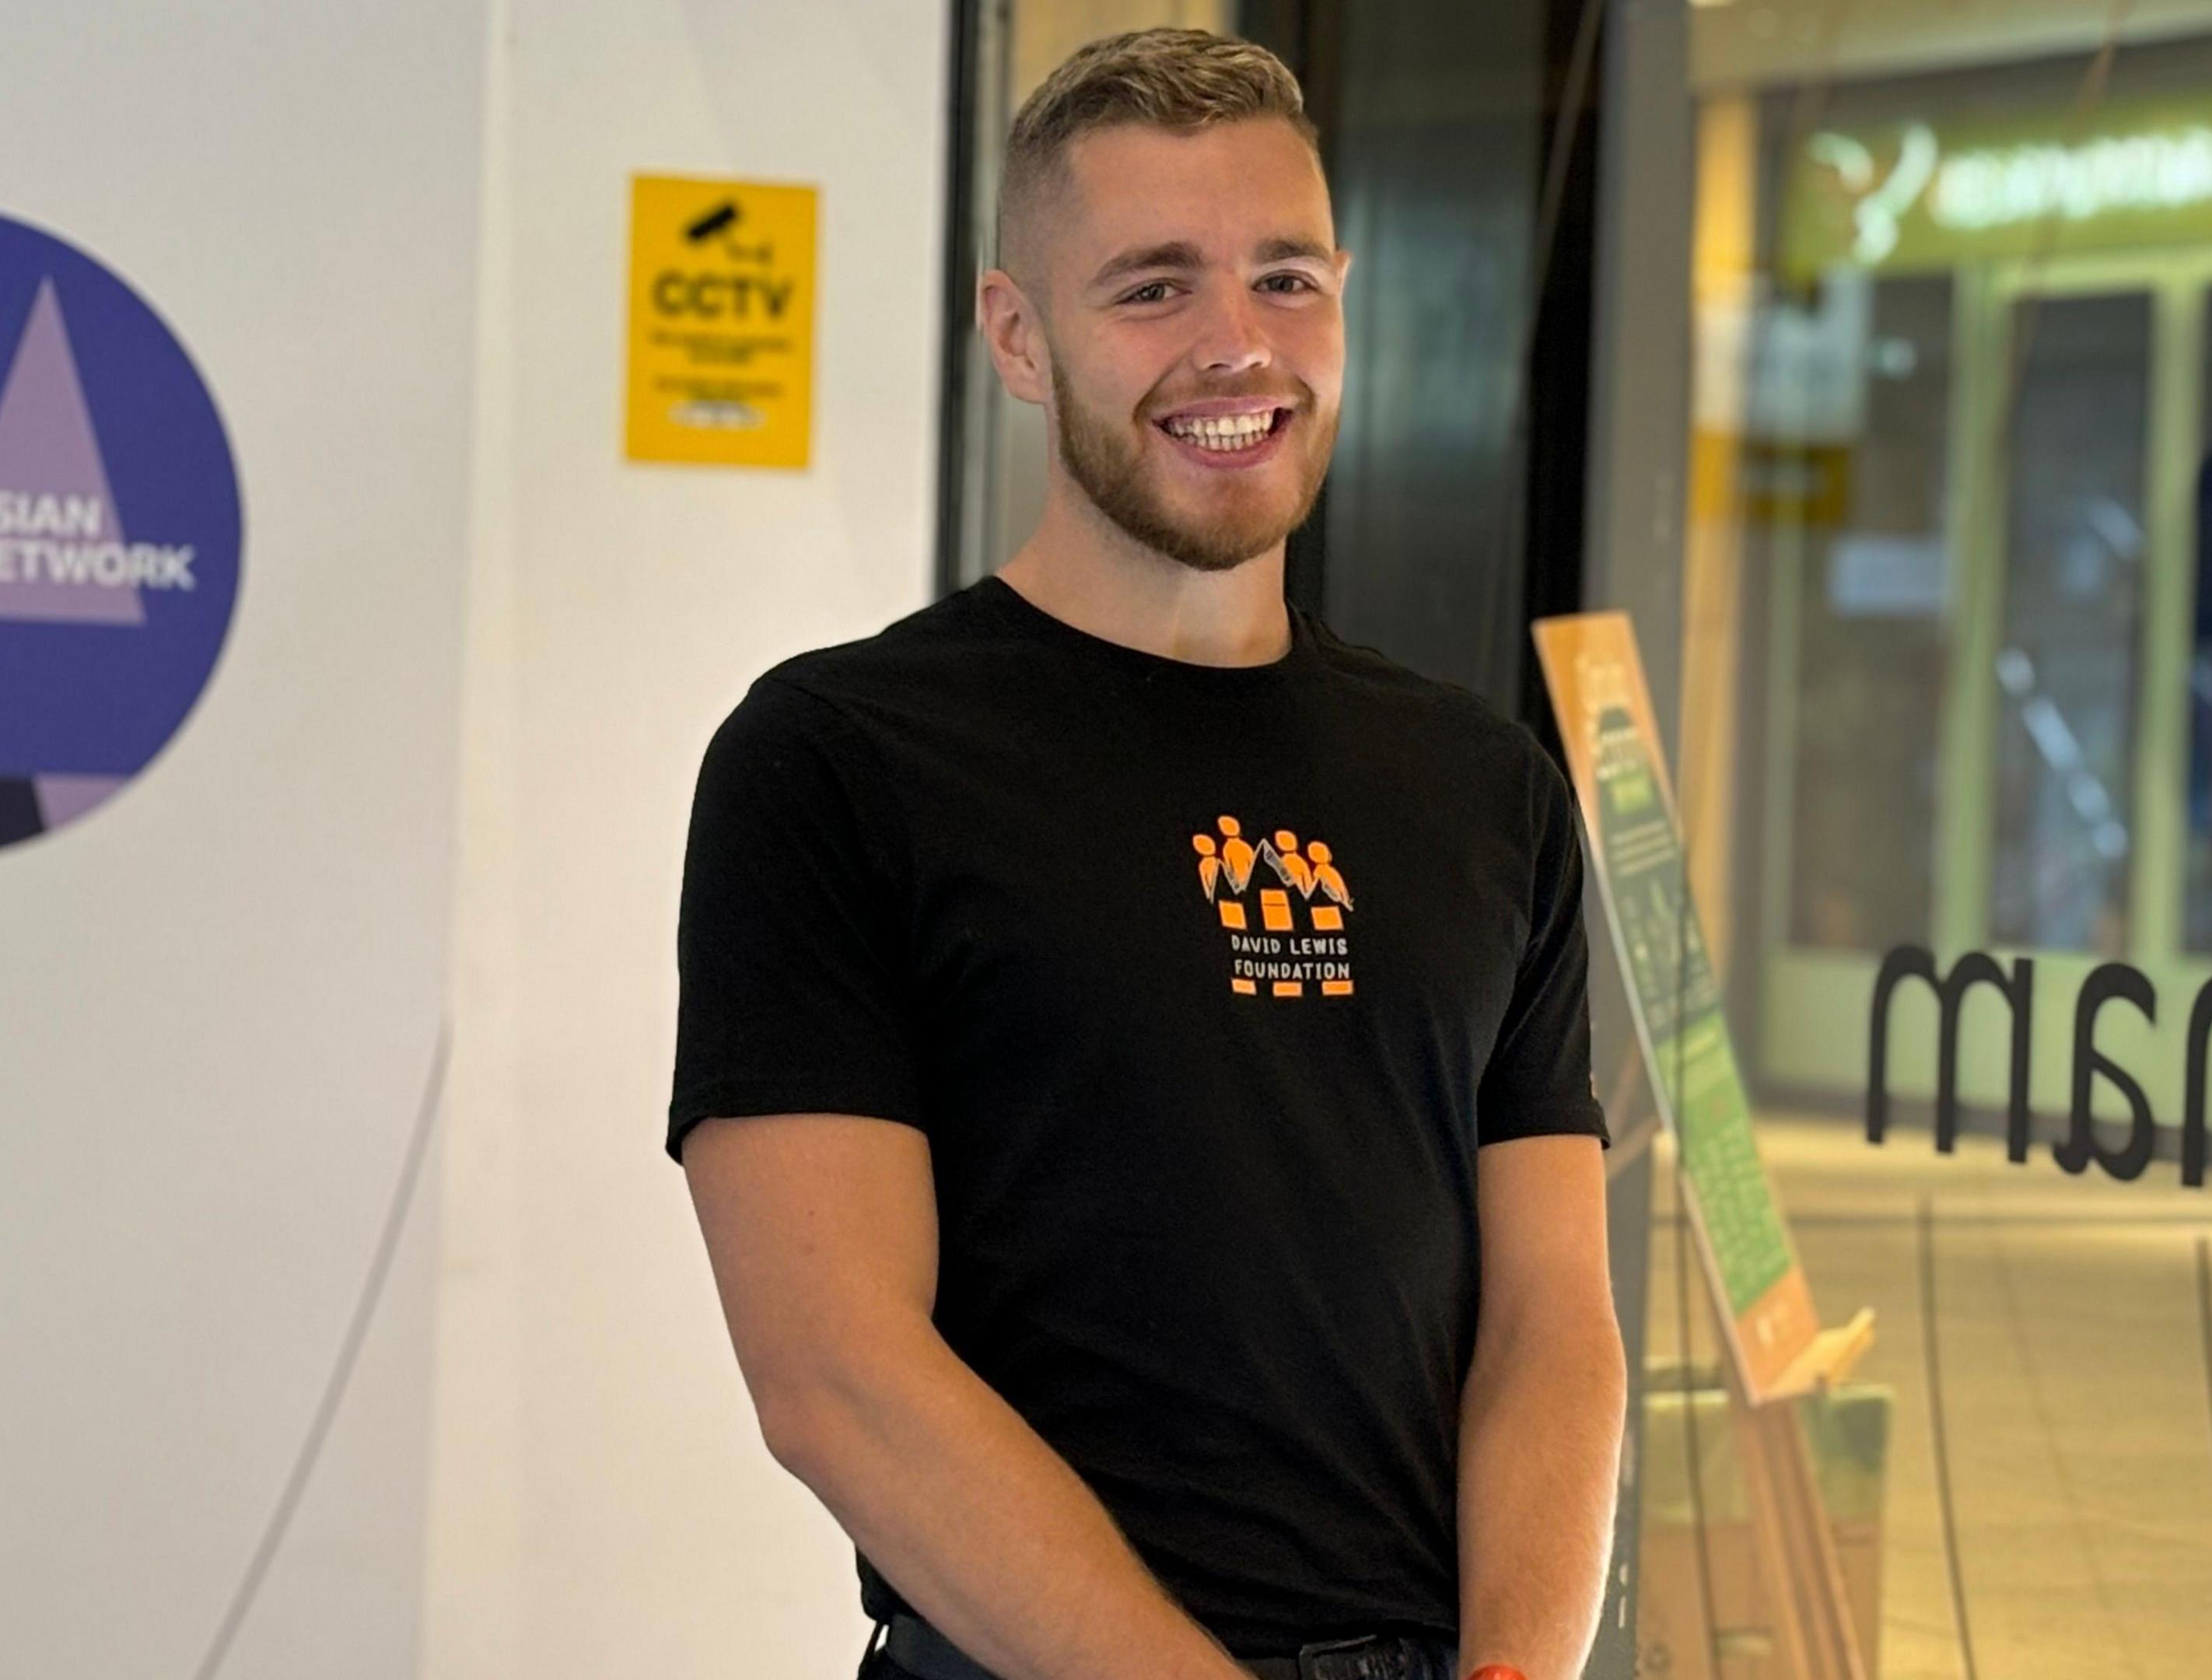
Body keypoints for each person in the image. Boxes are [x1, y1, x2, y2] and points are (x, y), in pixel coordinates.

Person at [667, 27, 1626, 1680]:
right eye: (1153, 287)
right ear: (1018, 336)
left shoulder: (1486, 788)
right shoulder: (834, 762)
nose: (1237, 348)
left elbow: (1554, 1326)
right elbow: (834, 1373)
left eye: (1285, 279)